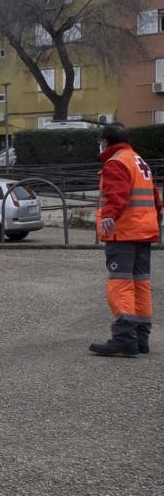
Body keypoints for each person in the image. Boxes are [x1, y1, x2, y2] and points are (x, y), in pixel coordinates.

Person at [89, 123, 160, 357]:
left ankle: (124, 339)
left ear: (107, 142)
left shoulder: (116, 162)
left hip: (124, 232)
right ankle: (141, 339)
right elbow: (154, 196)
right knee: (141, 284)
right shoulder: (139, 161)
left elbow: (116, 193)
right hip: (144, 231)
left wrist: (109, 215)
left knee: (121, 284)